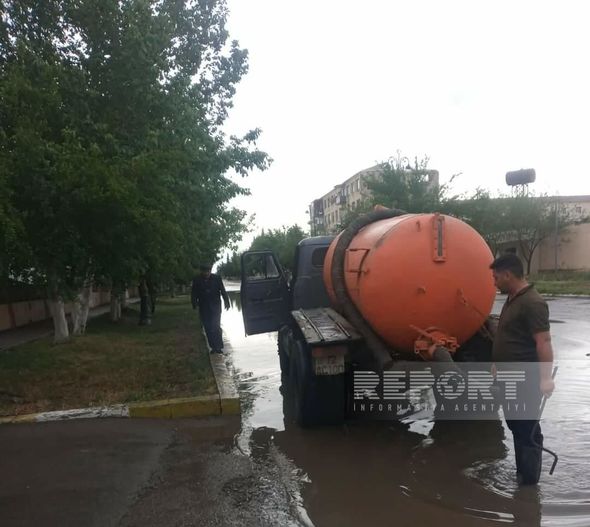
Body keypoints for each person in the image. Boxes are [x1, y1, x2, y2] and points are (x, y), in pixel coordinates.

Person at [490, 253, 555, 485]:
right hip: (509, 377)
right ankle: (522, 475)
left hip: (526, 378)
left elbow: (543, 342)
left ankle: (528, 485)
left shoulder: (533, 303)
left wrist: (546, 378)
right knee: (516, 425)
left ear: (508, 275)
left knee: (527, 429)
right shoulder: (513, 299)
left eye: (496, 277)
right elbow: (509, 336)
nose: (494, 282)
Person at [191, 264, 230, 354]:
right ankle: (213, 347)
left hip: (216, 307)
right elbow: (194, 293)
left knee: (216, 326)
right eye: (204, 271)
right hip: (204, 307)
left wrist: (227, 302)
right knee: (208, 327)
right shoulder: (197, 280)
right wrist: (194, 304)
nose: (206, 273)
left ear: (210, 271)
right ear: (201, 271)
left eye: (208, 271)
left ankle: (219, 347)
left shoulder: (217, 278)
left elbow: (222, 290)